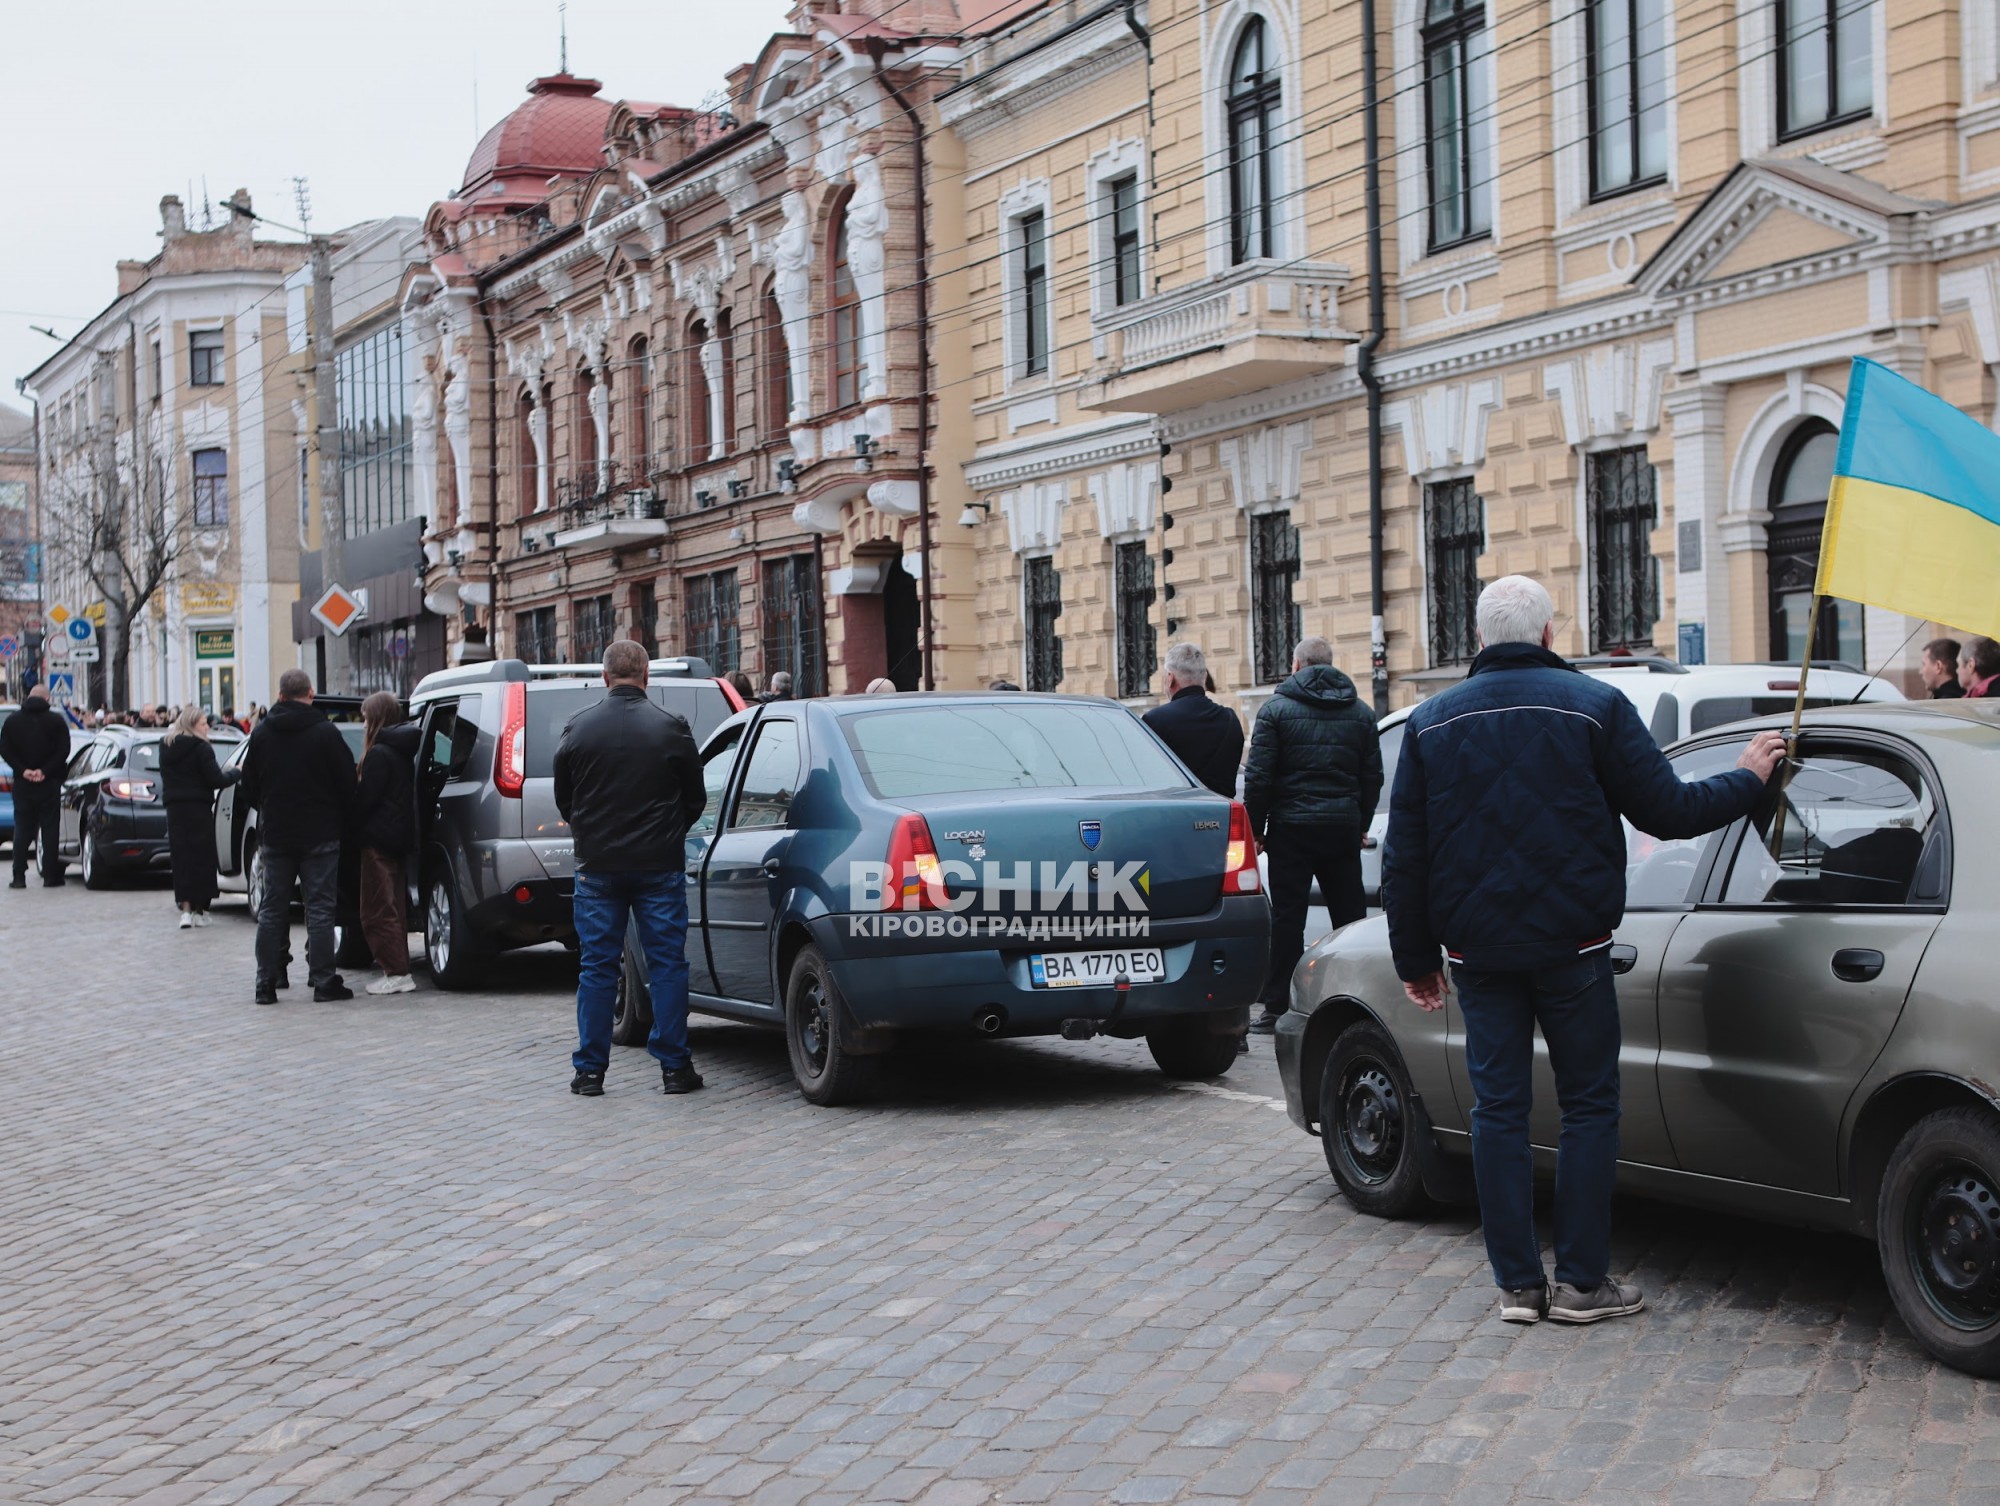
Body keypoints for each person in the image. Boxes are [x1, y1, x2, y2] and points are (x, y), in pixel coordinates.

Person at [1384, 575, 1785, 1326]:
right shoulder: (1597, 707)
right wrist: (1749, 779)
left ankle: (1516, 1289)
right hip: (1575, 945)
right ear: (1546, 635)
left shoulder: (1432, 721)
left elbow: (1407, 854)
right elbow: (1669, 810)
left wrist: (1416, 959)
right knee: (1589, 1106)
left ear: (1478, 640)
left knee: (1497, 1110)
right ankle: (1580, 1284)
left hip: (1478, 952)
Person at [554, 640, 707, 1097]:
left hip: (598, 865)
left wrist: (588, 830)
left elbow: (567, 799)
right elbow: (694, 799)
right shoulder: (670, 727)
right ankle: (675, 1068)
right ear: (646, 676)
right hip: (658, 863)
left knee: (597, 967)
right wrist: (668, 830)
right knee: (667, 966)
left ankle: (590, 1072)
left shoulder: (578, 729)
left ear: (605, 677)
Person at [1242, 636, 1381, 1034]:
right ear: (1331, 665)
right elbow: (1371, 777)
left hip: (1291, 830)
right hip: (1341, 832)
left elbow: (1260, 777)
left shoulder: (1275, 711)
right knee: (1350, 922)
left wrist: (1257, 830)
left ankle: (1277, 1007)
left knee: (1288, 920)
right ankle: (1359, 1000)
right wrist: (1360, 825)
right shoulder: (1360, 713)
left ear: (1296, 664)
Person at [239, 668, 357, 1005]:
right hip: (320, 833)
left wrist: (267, 806)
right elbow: (347, 782)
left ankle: (266, 982)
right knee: (319, 908)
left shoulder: (261, 735)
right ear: (311, 694)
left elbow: (248, 787)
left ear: (279, 696)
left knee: (272, 909)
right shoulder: (324, 732)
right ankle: (323, 981)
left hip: (276, 834)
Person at [353, 691, 421, 995]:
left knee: (378, 908)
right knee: (393, 905)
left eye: (366, 717)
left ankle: (396, 971)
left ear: (377, 718)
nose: (364, 723)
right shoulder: (401, 750)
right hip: (397, 837)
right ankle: (397, 968)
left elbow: (366, 800)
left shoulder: (379, 754)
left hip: (378, 839)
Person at [160, 706, 241, 927]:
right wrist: (237, 771)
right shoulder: (202, 749)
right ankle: (199, 910)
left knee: (182, 858)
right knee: (202, 859)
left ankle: (185, 910)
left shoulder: (166, 747)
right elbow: (216, 779)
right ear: (192, 725)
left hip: (175, 810)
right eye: (203, 724)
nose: (207, 727)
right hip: (198, 809)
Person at [1143, 642, 1244, 799]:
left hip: (1175, 815)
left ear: (1170, 679)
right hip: (1221, 815)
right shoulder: (1229, 719)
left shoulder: (1155, 720)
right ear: (1204, 677)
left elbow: (1147, 777)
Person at [2, 686, 71, 888]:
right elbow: (63, 750)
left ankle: (18, 876)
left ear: (28, 697)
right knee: (50, 829)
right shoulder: (56, 721)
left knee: (22, 828)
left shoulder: (12, 721)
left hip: (23, 784)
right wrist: (45, 771)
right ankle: (50, 876)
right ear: (47, 698)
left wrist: (23, 770)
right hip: (49, 783)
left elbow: (5, 749)